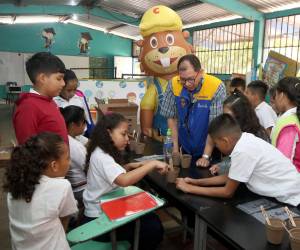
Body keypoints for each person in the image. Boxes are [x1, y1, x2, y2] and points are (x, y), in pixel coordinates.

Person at [83, 113, 168, 250]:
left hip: (102, 208)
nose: (127, 139)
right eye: (123, 134)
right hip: (98, 219)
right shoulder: (102, 156)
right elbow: (123, 180)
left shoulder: (101, 151)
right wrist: (151, 164)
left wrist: (129, 166)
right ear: (108, 132)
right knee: (152, 227)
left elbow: (112, 174)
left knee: (151, 220)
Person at [176, 114, 300, 207]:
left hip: (290, 199)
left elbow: (227, 192)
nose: (217, 147)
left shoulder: (243, 150)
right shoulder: (245, 139)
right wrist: (195, 182)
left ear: (225, 140)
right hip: (284, 193)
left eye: (216, 144)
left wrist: (189, 188)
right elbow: (230, 176)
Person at [4, 132, 77, 250]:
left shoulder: (15, 186)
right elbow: (65, 218)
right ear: (54, 165)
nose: (70, 162)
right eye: (68, 158)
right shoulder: (62, 186)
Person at [160, 54, 226, 168]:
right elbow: (171, 117)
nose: (186, 84)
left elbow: (214, 125)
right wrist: (175, 148)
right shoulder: (174, 84)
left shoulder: (216, 86)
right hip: (185, 146)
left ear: (200, 72)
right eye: (183, 80)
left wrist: (205, 156)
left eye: (190, 79)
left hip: (209, 146)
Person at [13, 52, 68, 144]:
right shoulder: (28, 108)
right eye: (59, 78)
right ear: (42, 78)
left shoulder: (50, 101)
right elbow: (27, 150)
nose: (63, 83)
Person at [209, 91, 270, 175]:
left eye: (228, 116)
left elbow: (245, 165)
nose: (226, 119)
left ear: (241, 115)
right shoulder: (235, 130)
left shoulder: (255, 135)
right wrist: (222, 165)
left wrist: (223, 168)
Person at [54, 69, 95, 137]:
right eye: (69, 90)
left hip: (82, 135)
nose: (72, 93)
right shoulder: (54, 100)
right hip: (65, 136)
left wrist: (91, 134)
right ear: (61, 87)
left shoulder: (80, 96)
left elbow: (88, 118)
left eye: (75, 89)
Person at [272, 77, 300, 172]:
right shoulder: (293, 118)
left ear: (281, 95)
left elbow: (283, 163)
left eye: (275, 95)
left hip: (290, 182)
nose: (274, 100)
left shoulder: (288, 124)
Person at [60, 105, 87, 204]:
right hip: (81, 189)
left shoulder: (69, 138)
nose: (85, 126)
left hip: (74, 186)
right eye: (84, 122)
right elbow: (88, 167)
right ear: (73, 125)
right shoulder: (75, 146)